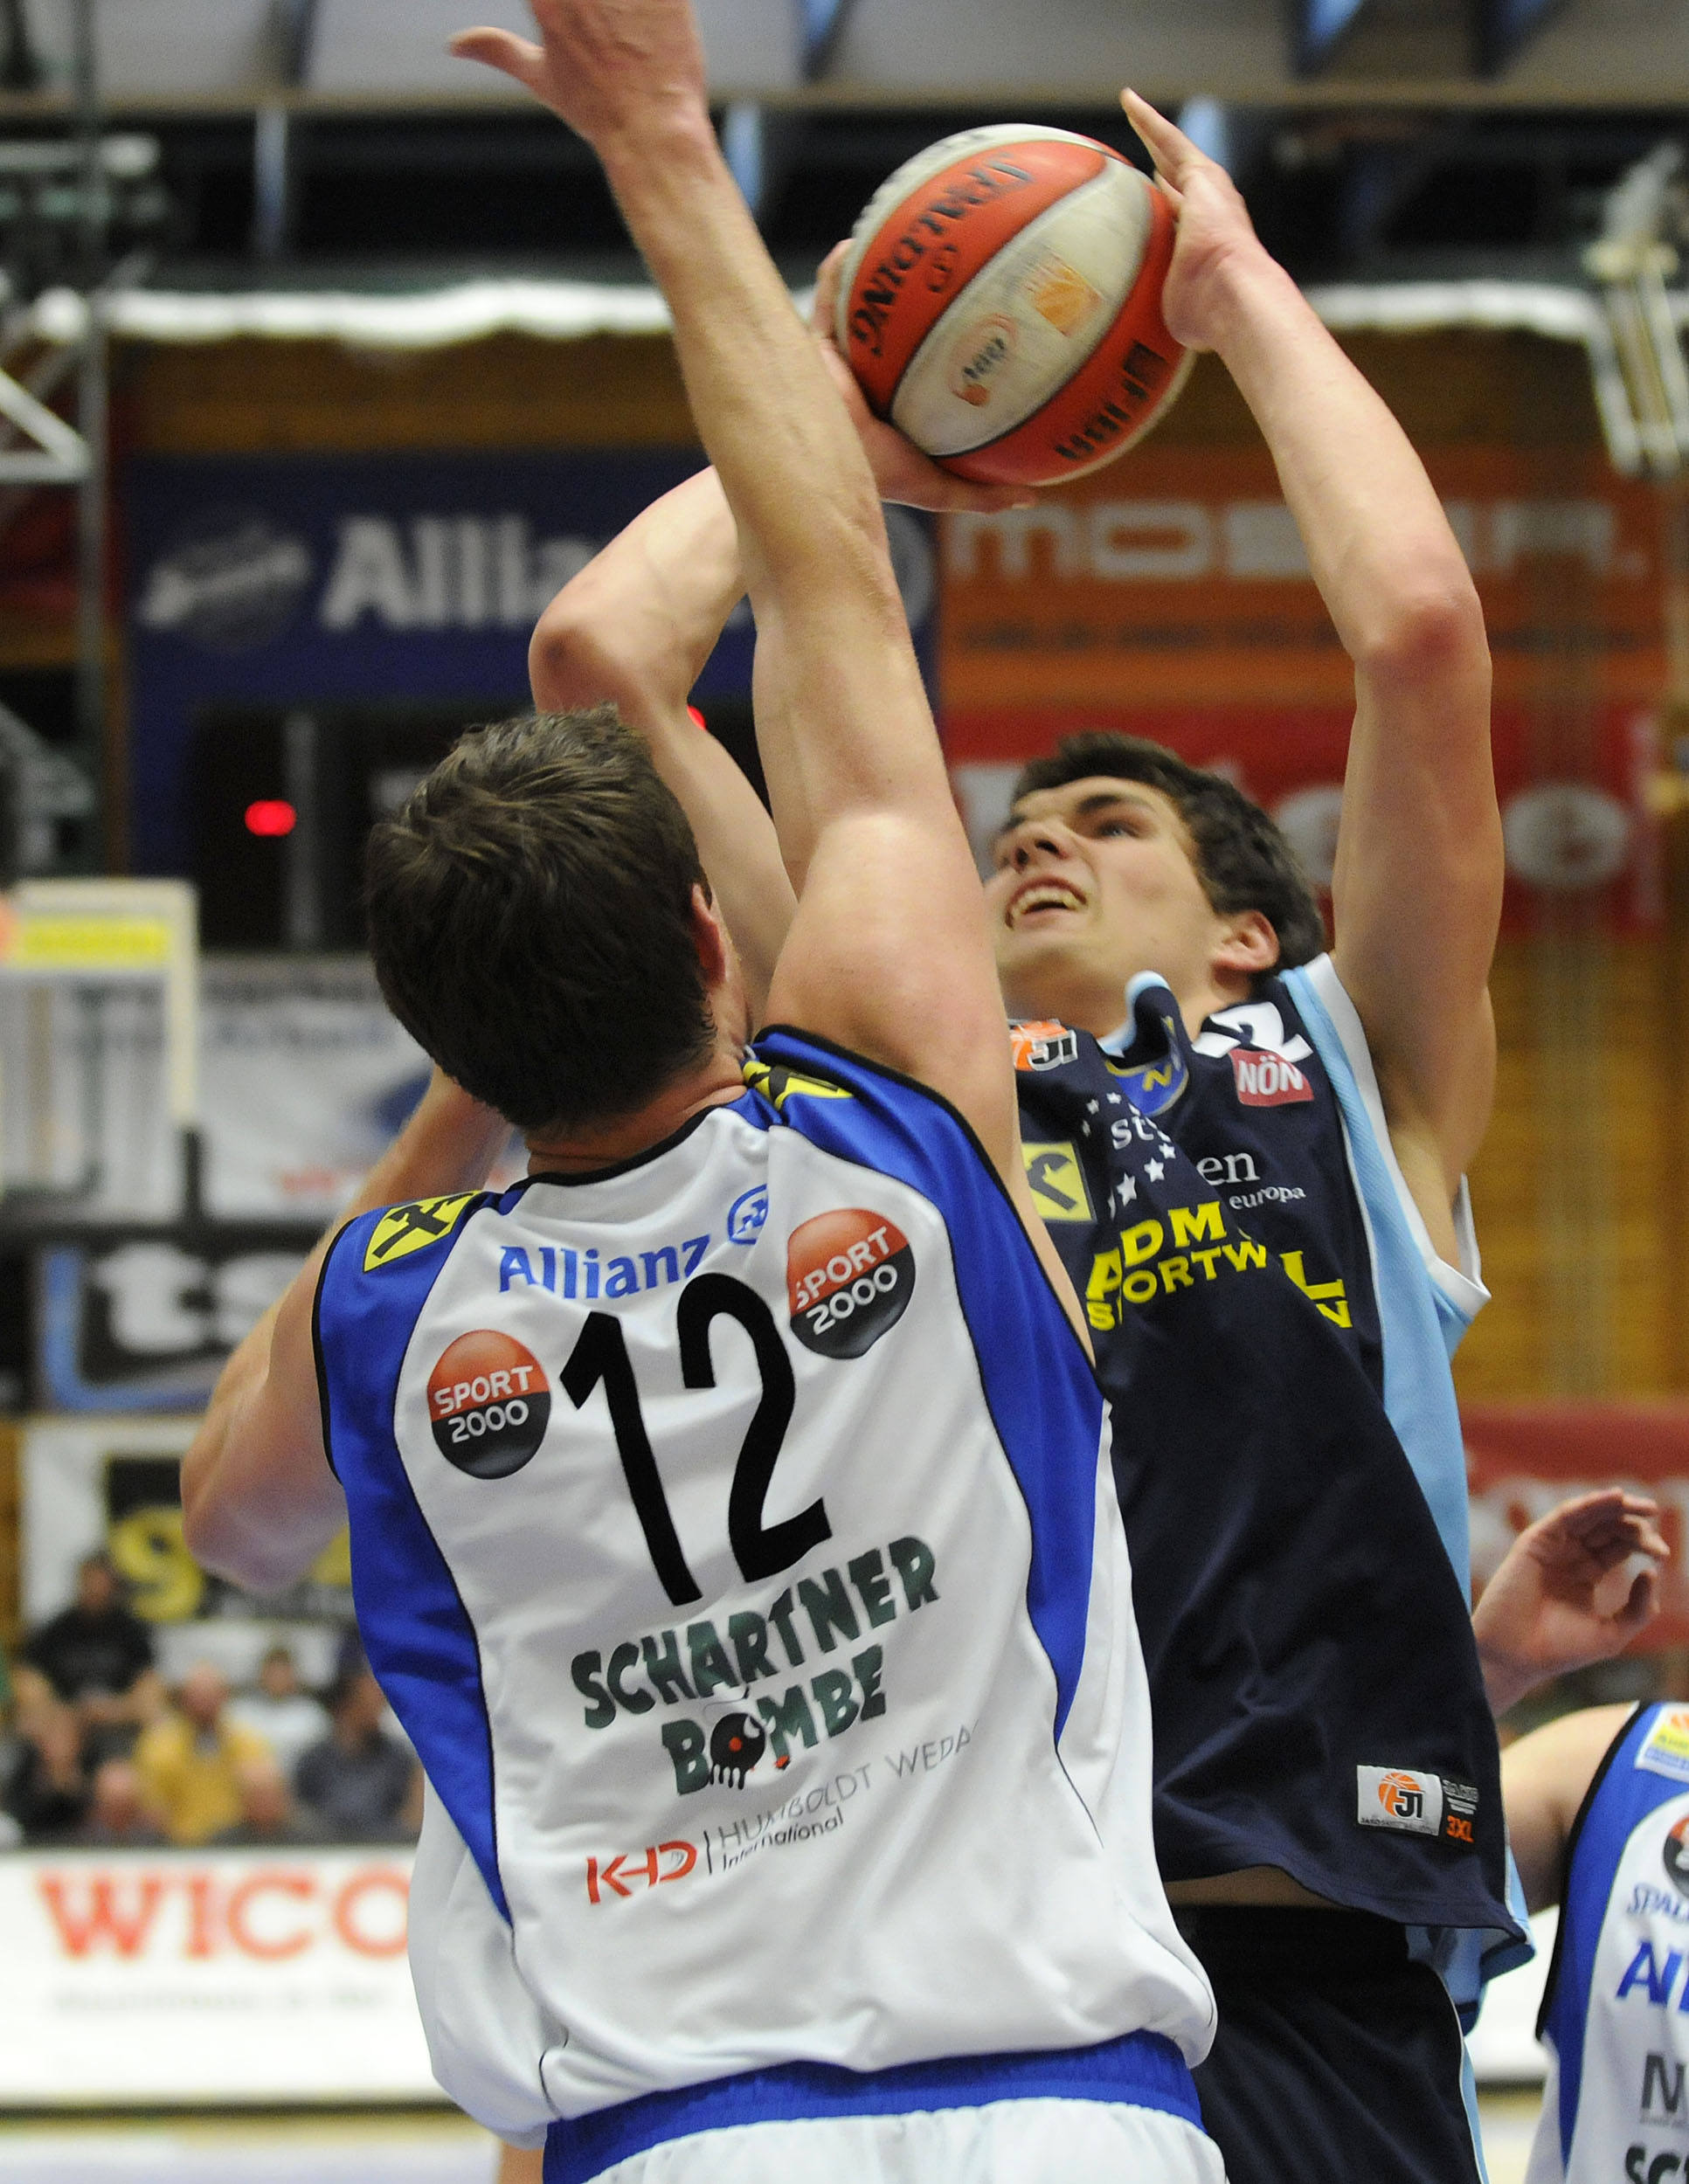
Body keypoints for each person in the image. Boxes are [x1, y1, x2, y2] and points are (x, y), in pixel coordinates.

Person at [520, 100, 1650, 2184]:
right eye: (1014, 826)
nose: (1034, 837)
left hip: (1307, 1957)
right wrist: (841, 430)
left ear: (1250, 930)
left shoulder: (1348, 1064)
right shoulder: (910, 1064)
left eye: (1108, 826)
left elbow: (1417, 633)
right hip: (998, 1993)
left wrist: (1234, 292)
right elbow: (603, 664)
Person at [180, 3, 1223, 2179]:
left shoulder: (389, 1311)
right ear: (710, 942)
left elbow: (232, 1523)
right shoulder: (906, 1135)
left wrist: (452, 1114)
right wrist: (666, 142)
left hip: (682, 2130)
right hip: (1068, 2108)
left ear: (452, 1045)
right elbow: (833, 605)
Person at [16, 1553, 164, 1761]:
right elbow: (29, 1682)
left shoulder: (132, 1632)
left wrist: (112, 1710)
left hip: (118, 1723)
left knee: (159, 1728)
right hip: (63, 1723)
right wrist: (66, 1713)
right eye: (90, 1583)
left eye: (101, 1584)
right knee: (32, 1727)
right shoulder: (55, 1631)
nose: (96, 1590)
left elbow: (149, 1688)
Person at [132, 1662, 272, 1846]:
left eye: (211, 1696)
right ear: (184, 1700)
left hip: (236, 1843)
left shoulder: (247, 1742)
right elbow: (152, 1806)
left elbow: (265, 1798)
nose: (204, 1704)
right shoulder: (159, 1744)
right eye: (198, 1697)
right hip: (176, 1845)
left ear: (225, 1697)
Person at [294, 1670, 419, 1841]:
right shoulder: (314, 1760)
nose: (377, 1713)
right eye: (368, 1704)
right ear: (345, 1706)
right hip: (324, 1847)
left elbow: (409, 1817)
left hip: (385, 1845)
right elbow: (300, 1812)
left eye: (379, 1705)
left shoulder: (397, 1759)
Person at [227, 1643, 331, 1778]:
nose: (277, 1678)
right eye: (273, 1672)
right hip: (247, 1783)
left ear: (294, 1675)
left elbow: (321, 1763)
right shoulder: (239, 1712)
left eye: (283, 1672)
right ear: (262, 1673)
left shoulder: (313, 1716)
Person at [211, 1757, 320, 1848]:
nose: (264, 1804)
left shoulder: (311, 1840)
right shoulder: (223, 1844)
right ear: (244, 1801)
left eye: (270, 1796)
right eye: (257, 1797)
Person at [75, 1758, 169, 1849]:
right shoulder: (83, 1842)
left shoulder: (153, 1840)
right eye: (112, 1807)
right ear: (100, 1806)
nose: (119, 1815)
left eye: (126, 1808)